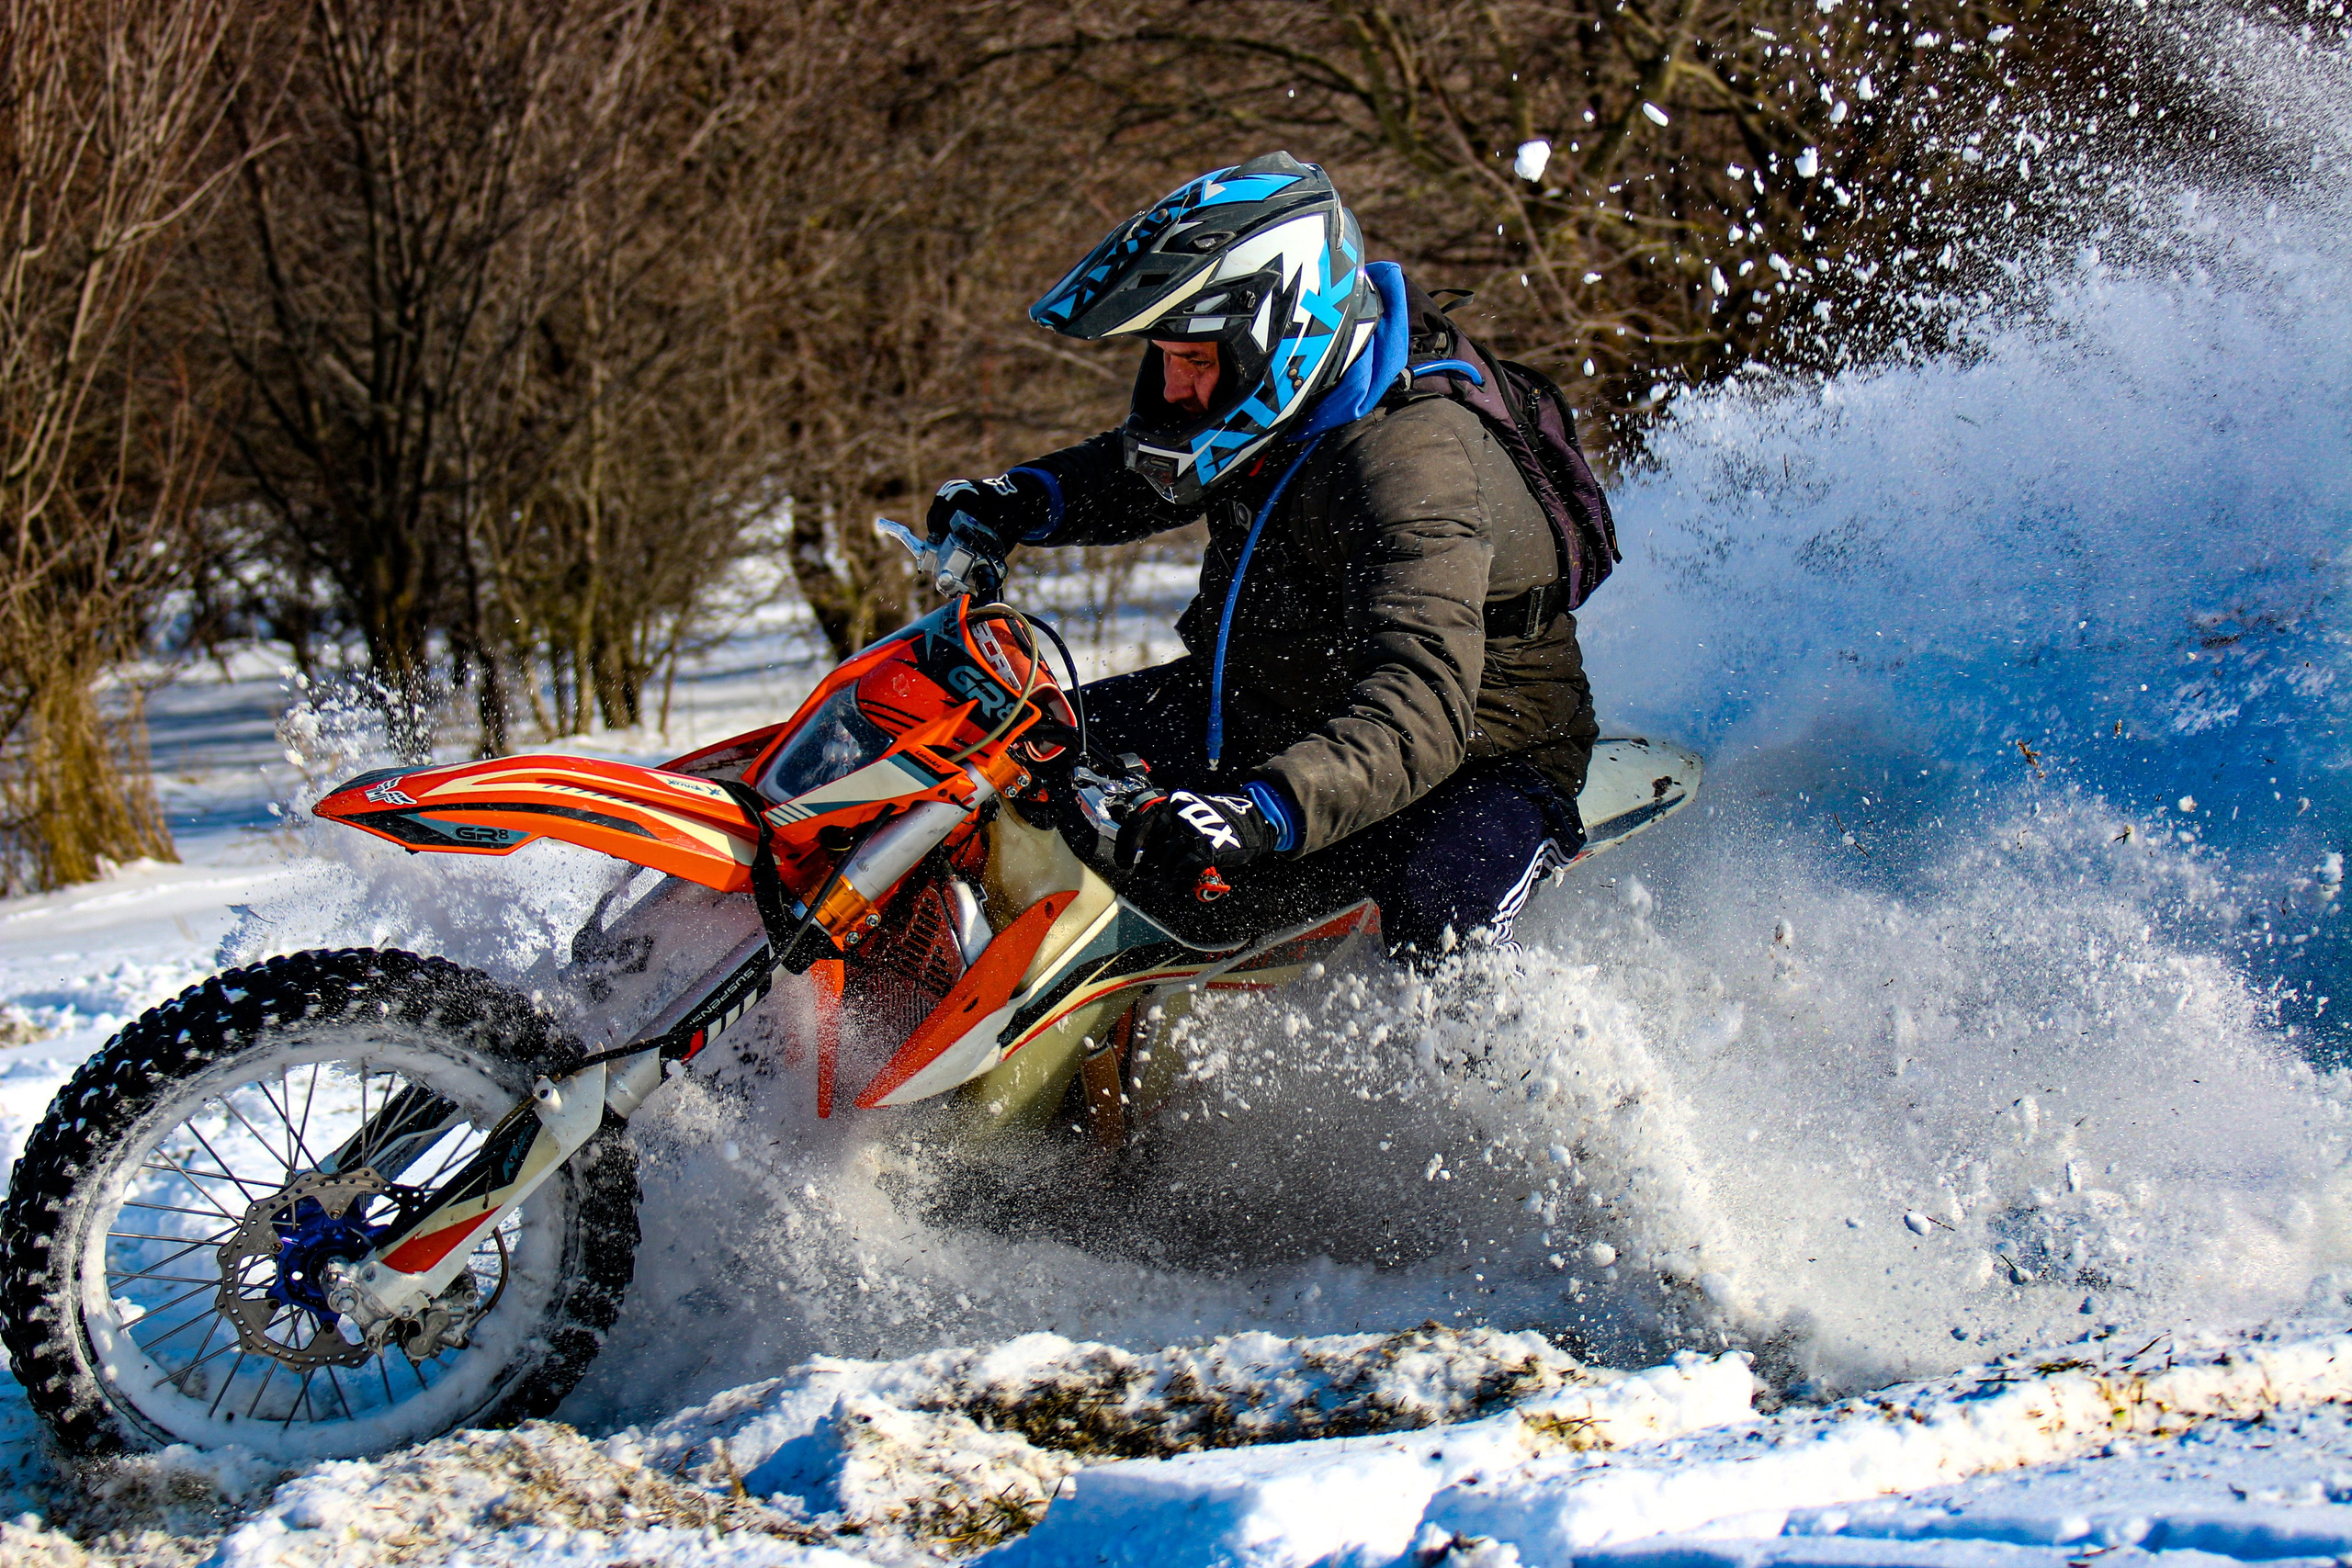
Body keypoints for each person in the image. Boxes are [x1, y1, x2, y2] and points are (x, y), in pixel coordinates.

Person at [927, 152, 1601, 954]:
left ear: (1278, 342)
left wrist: (1262, 809)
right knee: (992, 754)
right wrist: (1020, 500)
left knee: (1441, 923)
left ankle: (1516, 1079)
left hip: (1475, 757)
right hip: (1269, 702)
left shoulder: (1412, 465)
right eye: (1166, 358)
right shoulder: (1288, 403)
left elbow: (1420, 707)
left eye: (1196, 361)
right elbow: (1155, 467)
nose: (1173, 388)